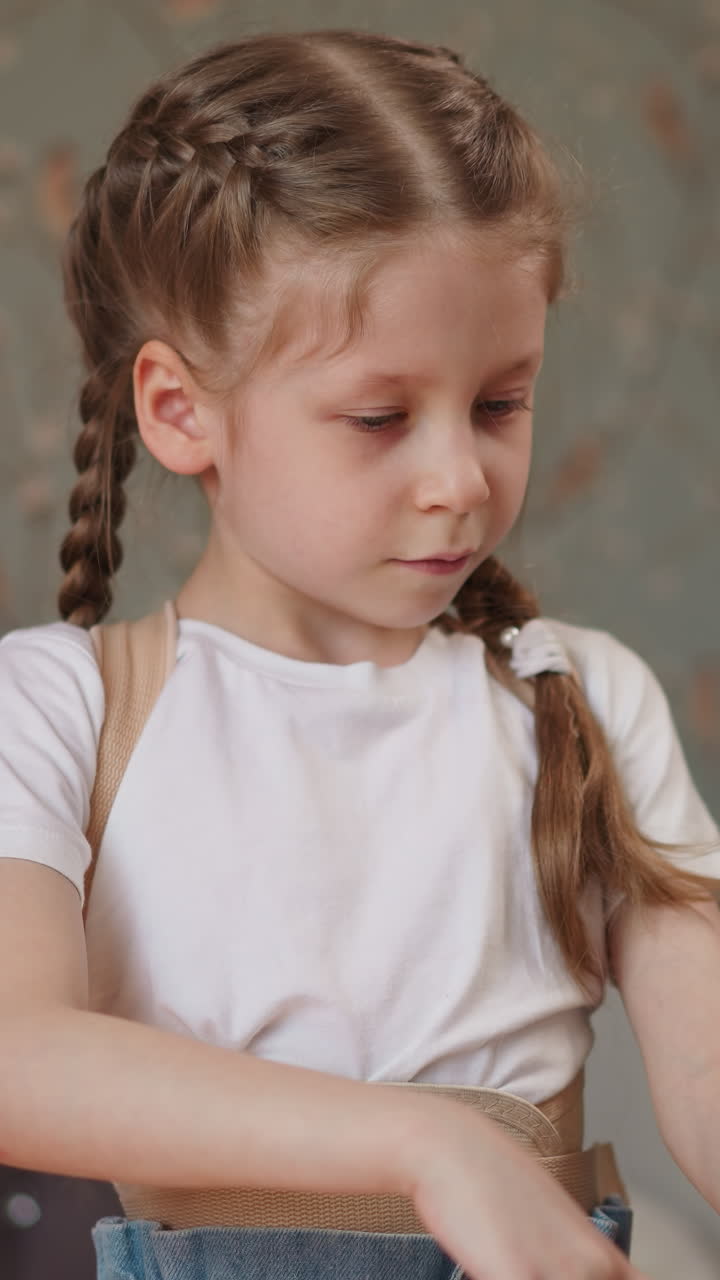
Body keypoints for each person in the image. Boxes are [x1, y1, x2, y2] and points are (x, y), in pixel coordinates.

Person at [0, 28, 718, 1280]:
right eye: (380, 416)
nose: (459, 479)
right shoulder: (59, 706)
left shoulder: (582, 697)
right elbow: (17, 1048)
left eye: (501, 402)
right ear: (181, 410)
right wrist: (427, 1147)